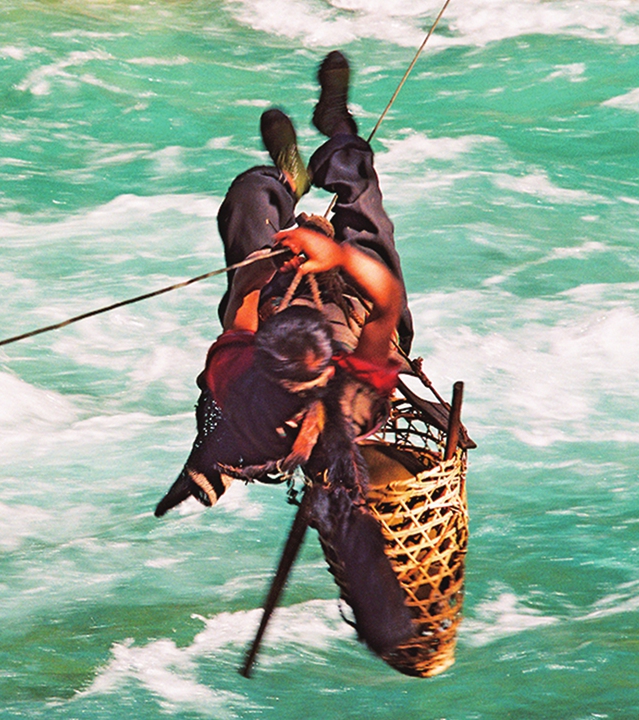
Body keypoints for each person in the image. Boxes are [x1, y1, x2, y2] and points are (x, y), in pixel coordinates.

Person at [154, 51, 416, 656]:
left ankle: (285, 178)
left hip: (277, 289)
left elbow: (243, 308)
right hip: (358, 303)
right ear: (327, 359)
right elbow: (384, 301)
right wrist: (339, 257)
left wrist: (264, 270)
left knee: (250, 194)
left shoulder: (241, 379)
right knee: (359, 189)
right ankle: (338, 129)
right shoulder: (356, 386)